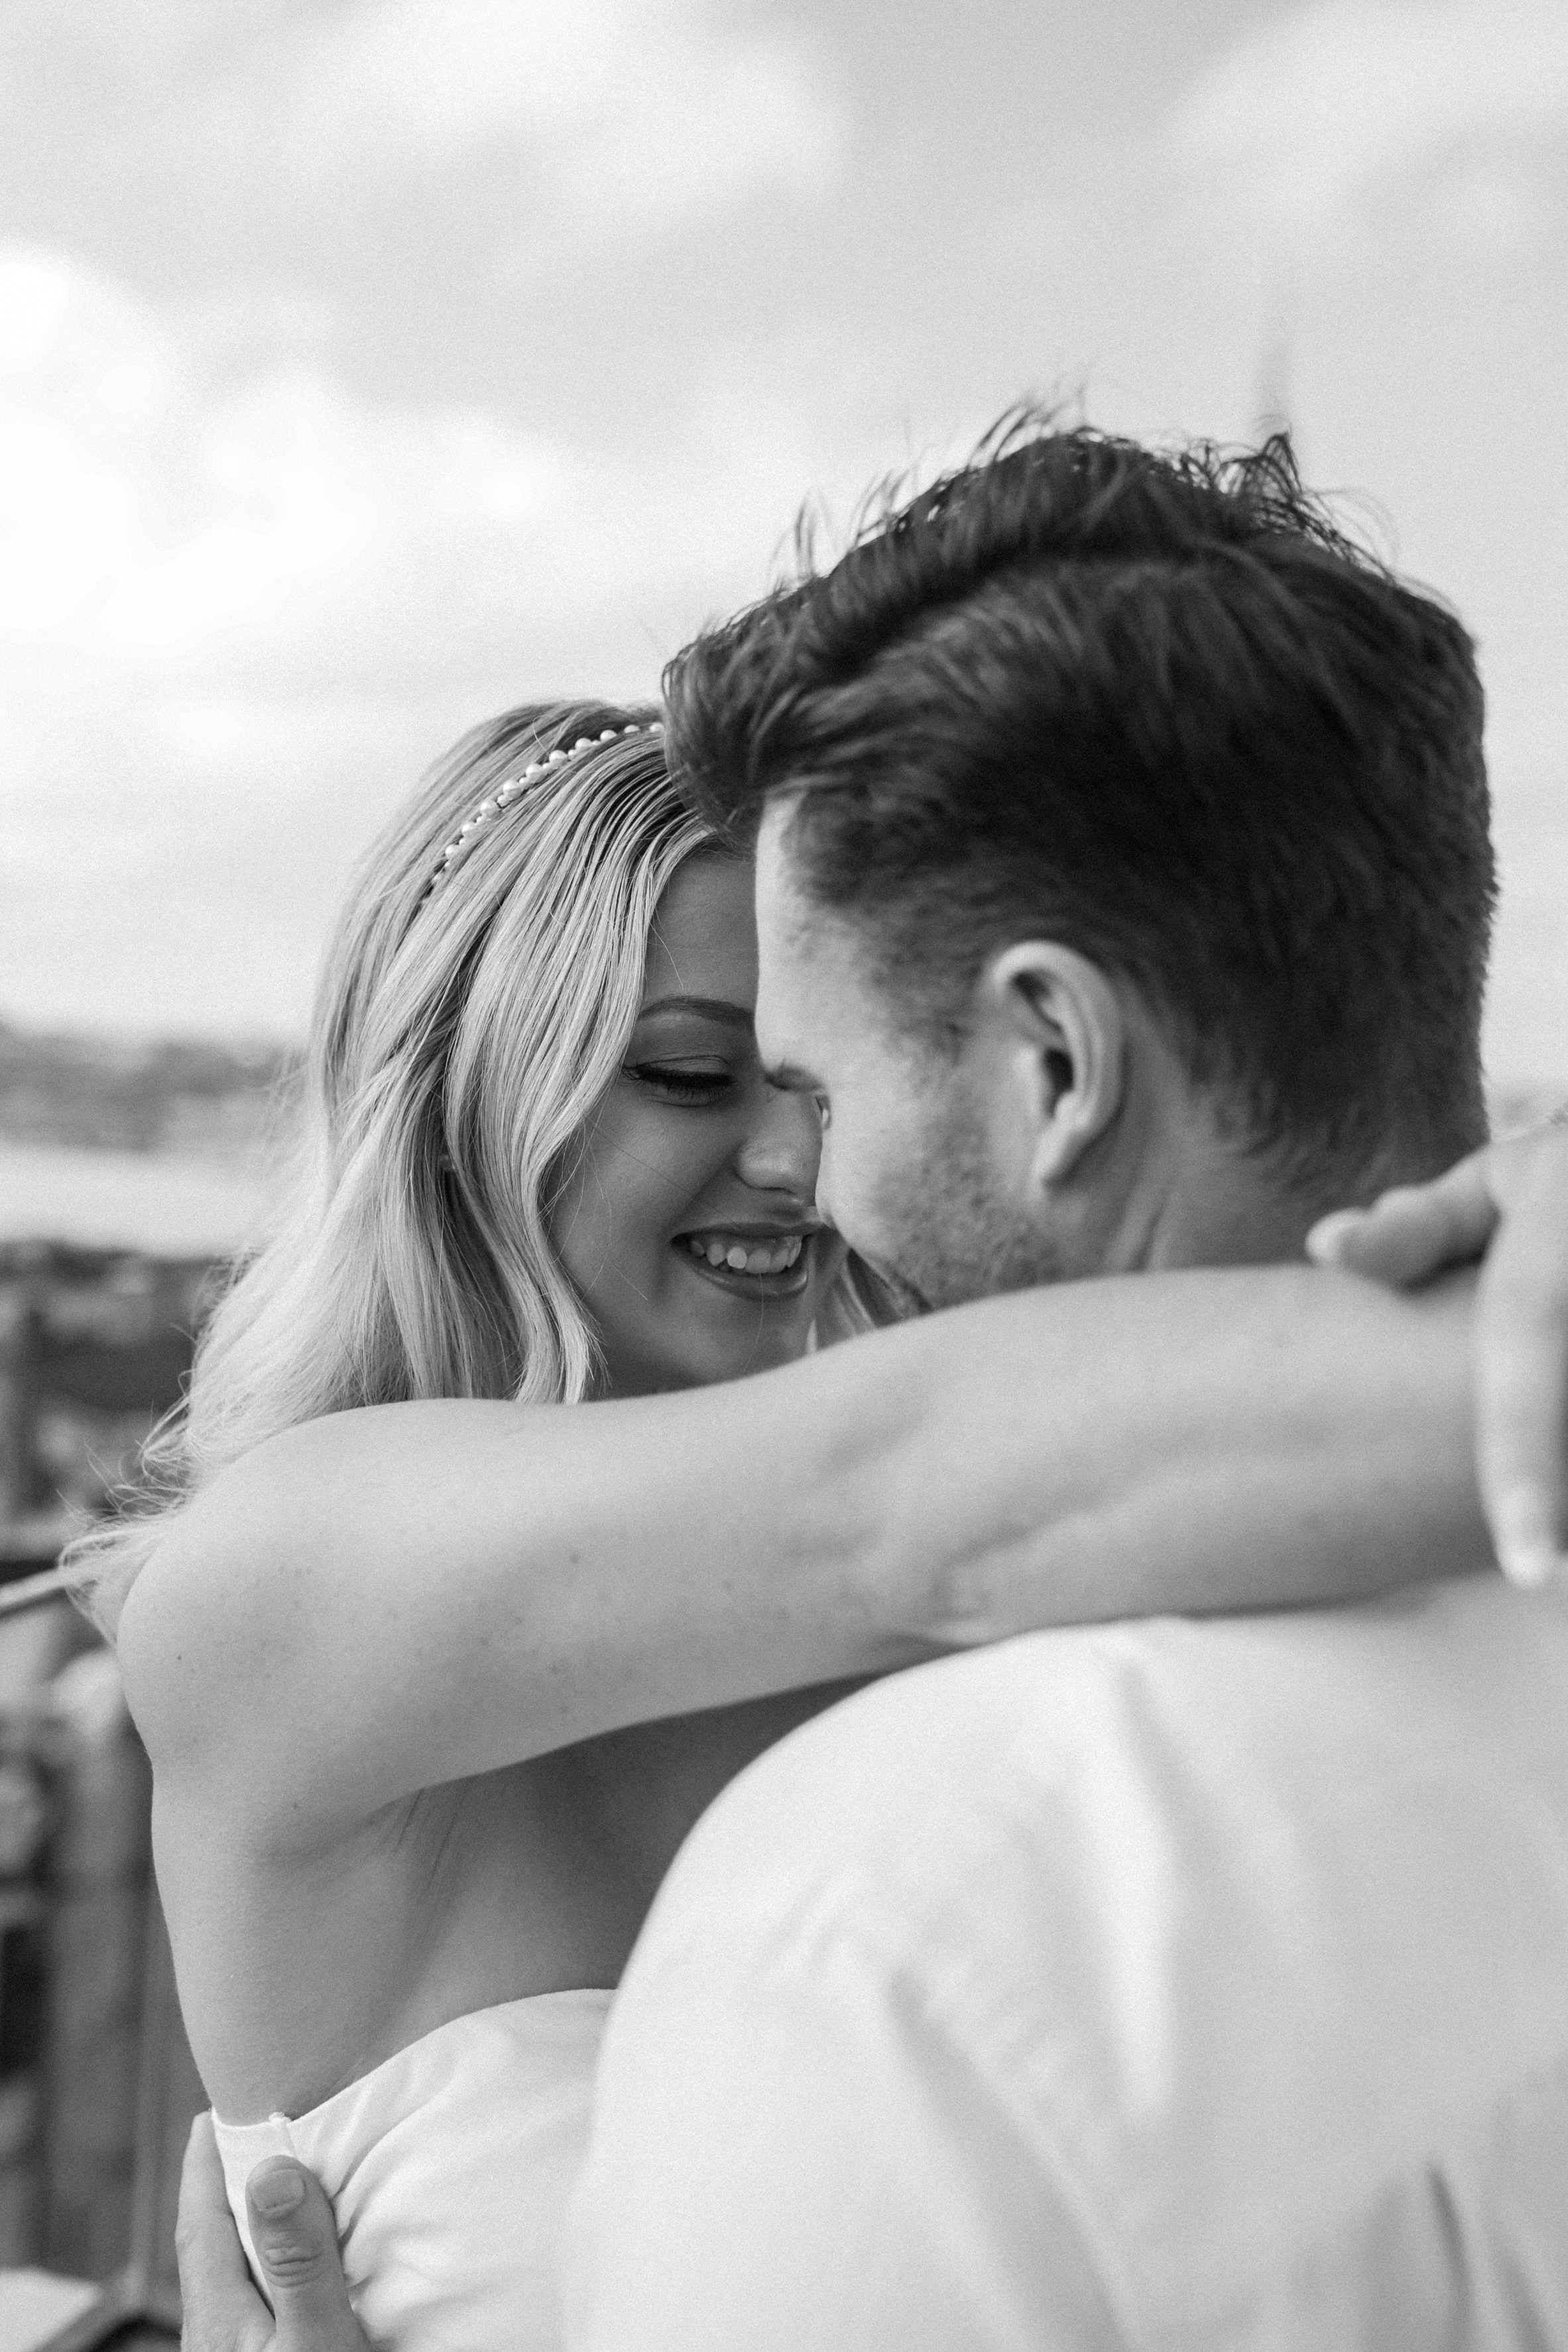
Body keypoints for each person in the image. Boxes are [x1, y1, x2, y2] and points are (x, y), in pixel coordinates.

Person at [166, 426, 1568, 2351]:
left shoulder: (1053, 1570)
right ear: (463, 1108)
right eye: (689, 1074)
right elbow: (905, 1488)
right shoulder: (283, 1577)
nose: (789, 1166)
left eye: (815, 1083)